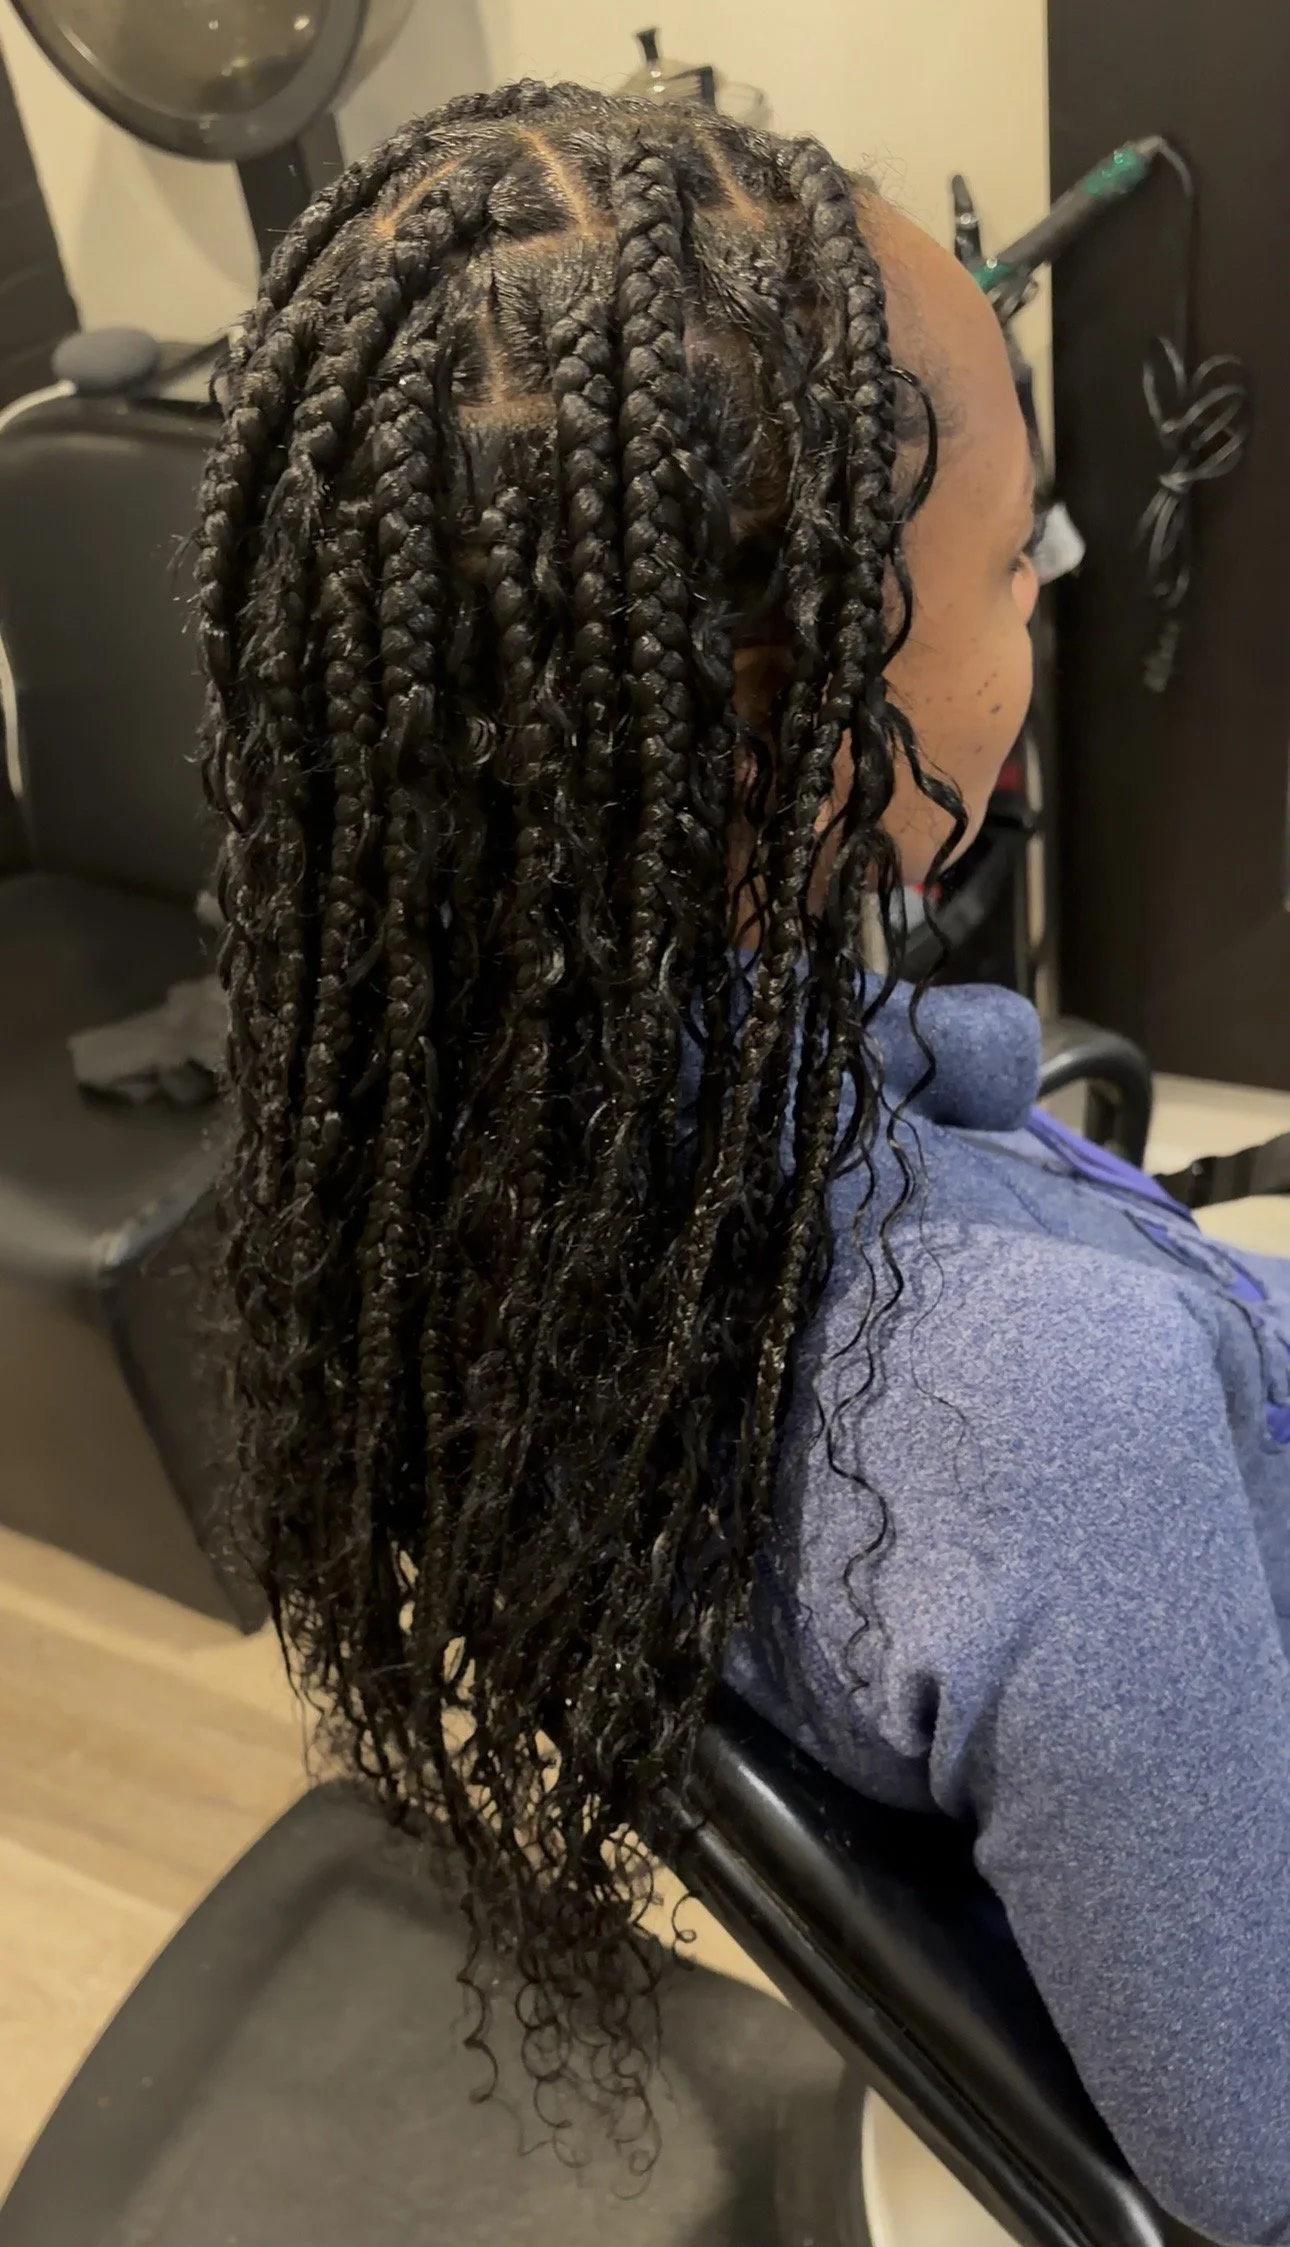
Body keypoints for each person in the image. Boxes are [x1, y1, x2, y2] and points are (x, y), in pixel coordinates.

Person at [199, 81, 1290, 2244]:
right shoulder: (1056, 1418)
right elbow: (1249, 2159)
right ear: (778, 720)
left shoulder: (452, 1140)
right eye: (1017, 553)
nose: (1046, 581)